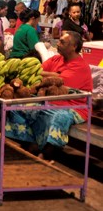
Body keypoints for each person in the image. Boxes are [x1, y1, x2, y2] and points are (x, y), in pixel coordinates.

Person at [5, 31, 93, 160]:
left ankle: (47, 153)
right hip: (48, 100)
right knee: (15, 107)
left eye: (62, 42)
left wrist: (51, 76)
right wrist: (52, 75)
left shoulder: (81, 66)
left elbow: (59, 81)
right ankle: (31, 143)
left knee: (59, 117)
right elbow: (37, 71)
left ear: (74, 46)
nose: (58, 44)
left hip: (74, 107)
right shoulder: (57, 59)